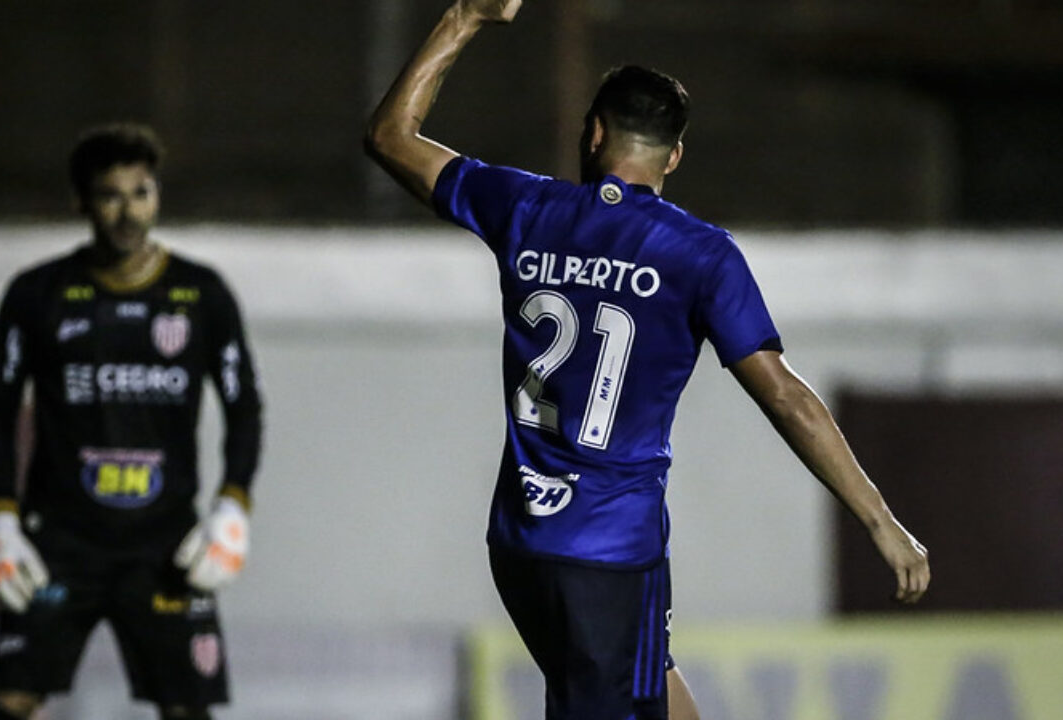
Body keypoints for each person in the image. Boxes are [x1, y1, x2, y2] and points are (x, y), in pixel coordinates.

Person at [364, 2, 930, 719]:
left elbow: (390, 136)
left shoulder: (525, 208)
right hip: (609, 553)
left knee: (660, 702)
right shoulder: (698, 255)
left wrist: (467, 16)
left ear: (593, 134)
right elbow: (785, 397)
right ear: (675, 157)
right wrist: (880, 520)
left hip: (519, 541)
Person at [0, 123, 263, 720]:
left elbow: (244, 408)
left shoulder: (202, 294)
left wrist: (232, 507)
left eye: (142, 193)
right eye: (110, 196)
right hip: (59, 544)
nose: (129, 212)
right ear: (81, 202)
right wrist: (1, 521)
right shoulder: (36, 295)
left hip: (164, 547)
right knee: (9, 704)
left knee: (188, 709)